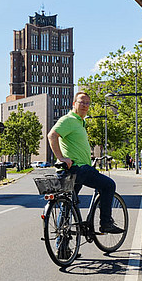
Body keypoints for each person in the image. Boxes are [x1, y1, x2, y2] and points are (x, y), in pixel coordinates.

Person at [47, 91, 123, 234]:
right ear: (74, 104)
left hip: (72, 170)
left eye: (87, 103)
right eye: (81, 102)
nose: (85, 105)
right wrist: (61, 158)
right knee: (108, 185)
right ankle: (106, 223)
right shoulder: (69, 120)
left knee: (67, 206)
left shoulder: (80, 122)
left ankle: (62, 249)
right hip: (78, 169)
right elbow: (52, 135)